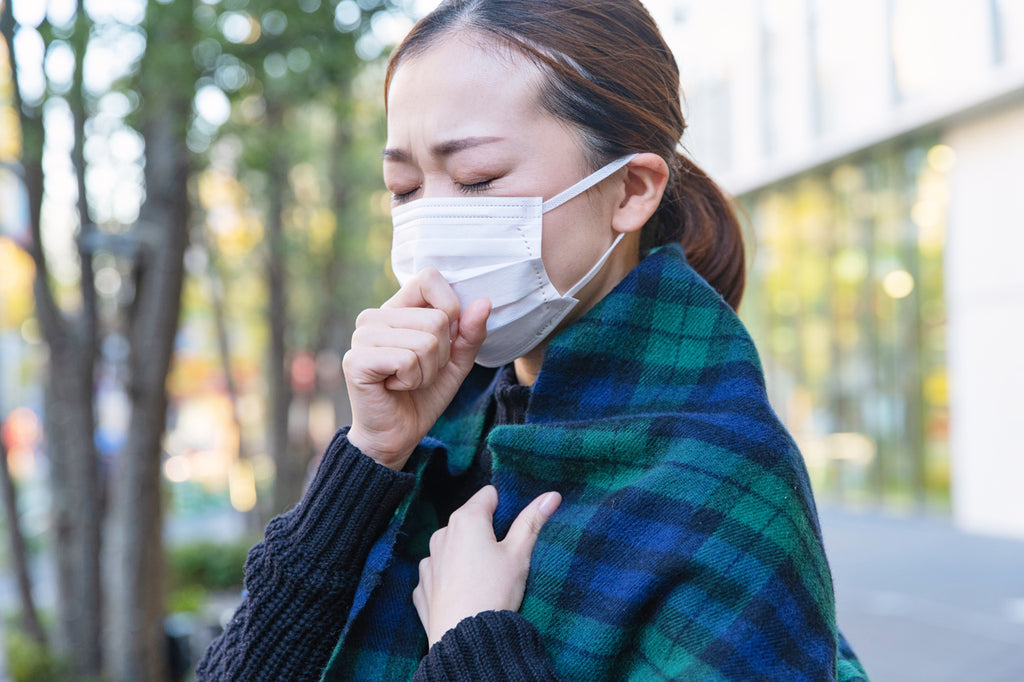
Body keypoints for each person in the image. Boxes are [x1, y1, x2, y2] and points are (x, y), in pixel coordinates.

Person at [197, 0, 869, 680]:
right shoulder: (427, 437)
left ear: (631, 189)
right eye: (403, 188)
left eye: (477, 180)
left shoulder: (722, 479)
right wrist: (368, 459)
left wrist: (472, 642)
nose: (432, 223)